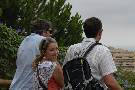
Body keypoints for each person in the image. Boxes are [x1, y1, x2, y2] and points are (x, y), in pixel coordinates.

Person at [63, 17, 122, 90]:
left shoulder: (72, 48)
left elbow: (64, 73)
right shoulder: (103, 51)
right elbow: (110, 82)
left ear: (85, 31)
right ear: (100, 32)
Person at [9, 19, 54, 90]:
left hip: (15, 86)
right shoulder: (44, 41)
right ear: (44, 31)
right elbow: (54, 68)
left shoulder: (25, 40)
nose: (51, 35)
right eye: (50, 31)